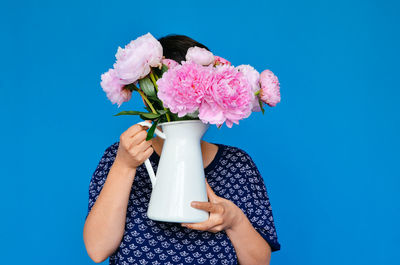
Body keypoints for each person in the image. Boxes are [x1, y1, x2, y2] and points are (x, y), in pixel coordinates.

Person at [83, 34, 281, 265]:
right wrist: (124, 165)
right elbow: (98, 250)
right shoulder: (122, 155)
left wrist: (235, 221)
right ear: (151, 96)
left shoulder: (237, 166)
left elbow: (259, 262)